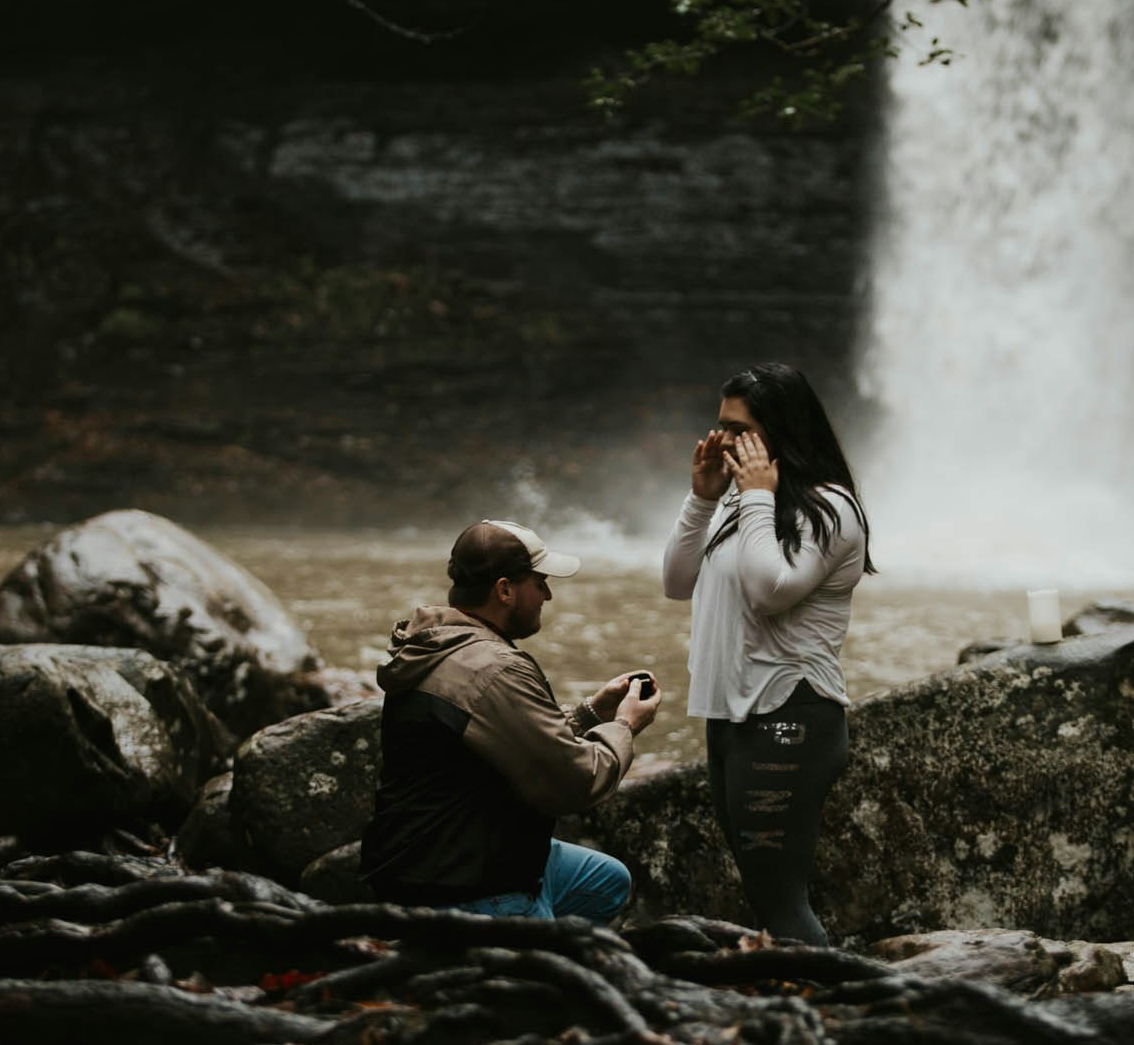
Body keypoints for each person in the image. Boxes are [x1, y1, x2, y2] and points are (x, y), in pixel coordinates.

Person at [662, 362, 875, 946]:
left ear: (781, 432)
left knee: (781, 900)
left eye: (739, 429)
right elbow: (677, 584)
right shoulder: (737, 505)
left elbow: (769, 591)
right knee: (762, 891)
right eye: (721, 425)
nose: (723, 440)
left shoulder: (831, 510)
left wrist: (756, 495)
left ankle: (834, 1015)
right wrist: (702, 499)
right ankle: (794, 1005)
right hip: (731, 717)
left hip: (790, 716)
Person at [361, 519, 664, 919]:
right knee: (560, 976)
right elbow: (575, 780)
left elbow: (507, 741)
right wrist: (625, 725)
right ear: (505, 590)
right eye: (539, 583)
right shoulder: (495, 667)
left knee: (606, 880)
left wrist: (593, 713)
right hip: (470, 882)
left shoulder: (435, 646)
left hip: (422, 859)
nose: (548, 595)